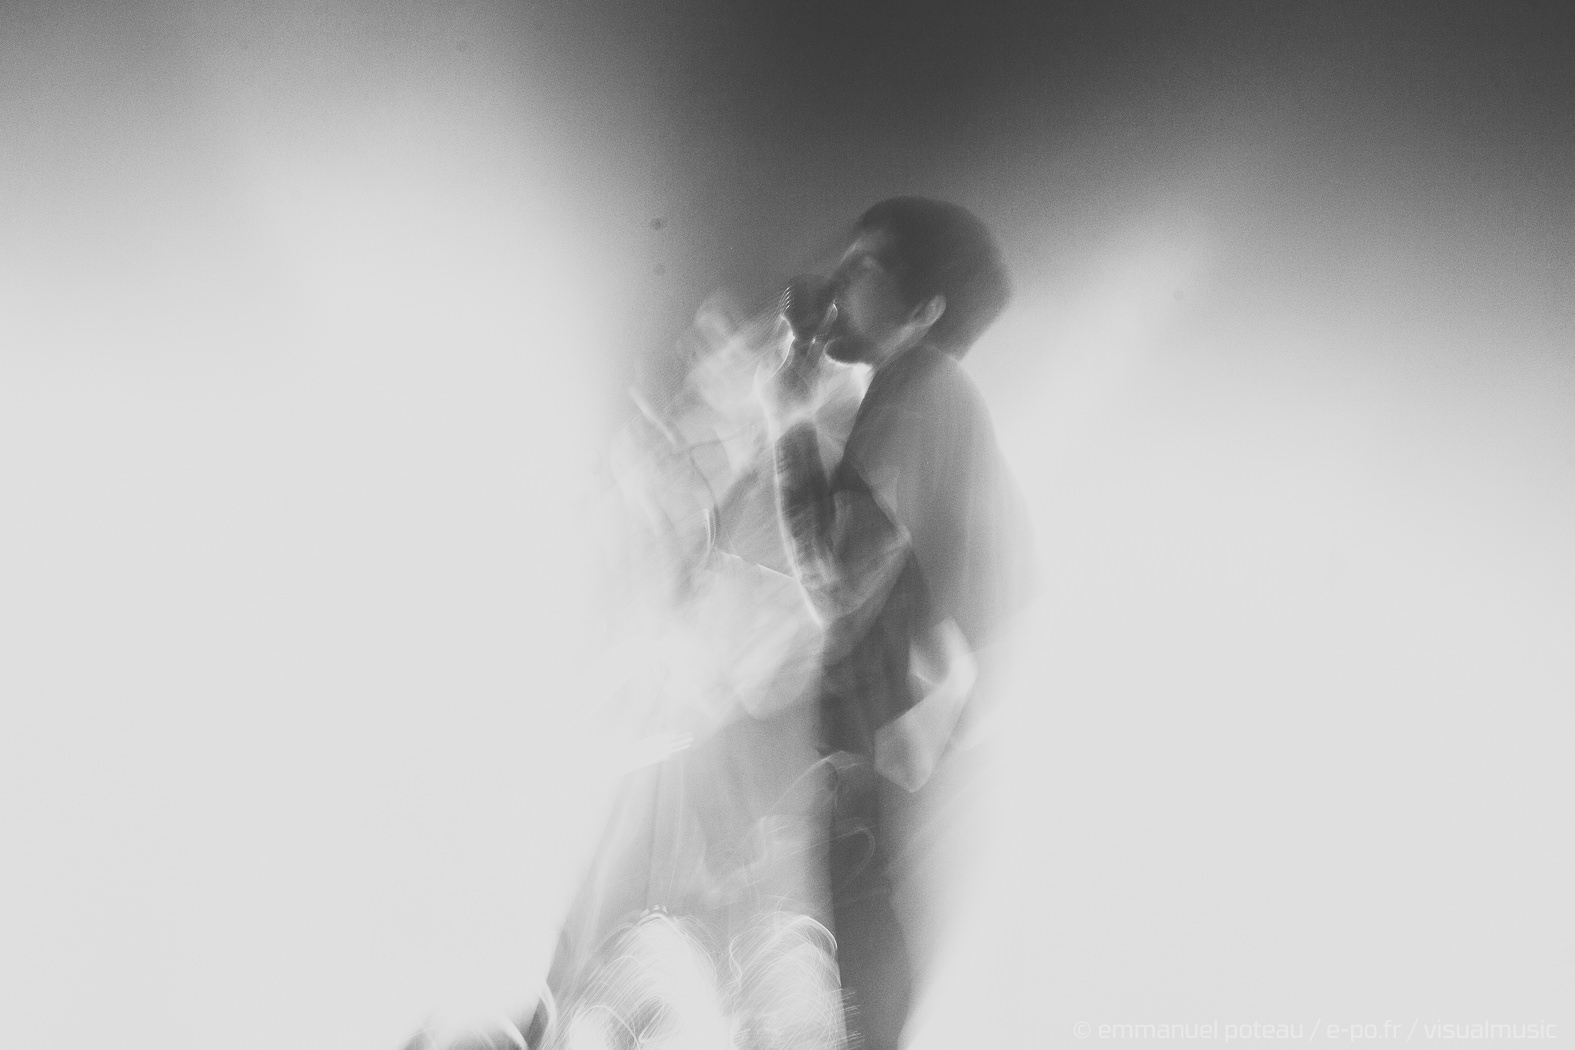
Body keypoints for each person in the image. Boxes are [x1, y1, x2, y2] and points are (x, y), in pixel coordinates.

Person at [757, 197, 1034, 1050]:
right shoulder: (921, 399)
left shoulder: (920, 390)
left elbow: (838, 579)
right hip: (901, 759)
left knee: (869, 988)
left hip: (906, 764)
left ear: (922, 311)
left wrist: (789, 418)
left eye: (864, 266)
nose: (836, 280)